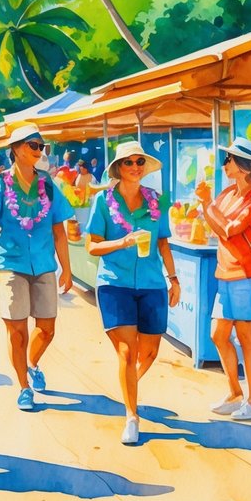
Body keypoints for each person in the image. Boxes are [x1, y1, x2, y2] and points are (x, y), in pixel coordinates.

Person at [85, 141, 180, 445]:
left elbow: (163, 241)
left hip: (152, 283)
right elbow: (92, 245)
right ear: (118, 168)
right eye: (129, 162)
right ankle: (131, 416)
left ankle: (128, 387)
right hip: (115, 282)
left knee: (149, 352)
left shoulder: (156, 201)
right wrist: (123, 242)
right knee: (127, 352)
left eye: (140, 161)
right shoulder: (102, 201)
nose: (135, 167)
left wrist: (174, 278)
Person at [0, 124, 74, 412]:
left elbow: (59, 229)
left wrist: (66, 269)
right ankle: (23, 386)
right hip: (10, 263)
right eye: (34, 145)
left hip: (44, 263)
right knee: (17, 330)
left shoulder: (48, 185)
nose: (39, 151)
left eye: (41, 147)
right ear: (17, 149)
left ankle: (31, 363)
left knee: (47, 328)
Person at [197, 138, 251, 422]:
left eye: (229, 159)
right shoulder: (228, 193)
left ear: (244, 167)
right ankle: (234, 393)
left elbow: (229, 230)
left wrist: (207, 205)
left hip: (249, 275)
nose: (225, 164)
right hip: (226, 273)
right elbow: (215, 223)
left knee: (246, 337)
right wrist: (206, 208)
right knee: (218, 334)